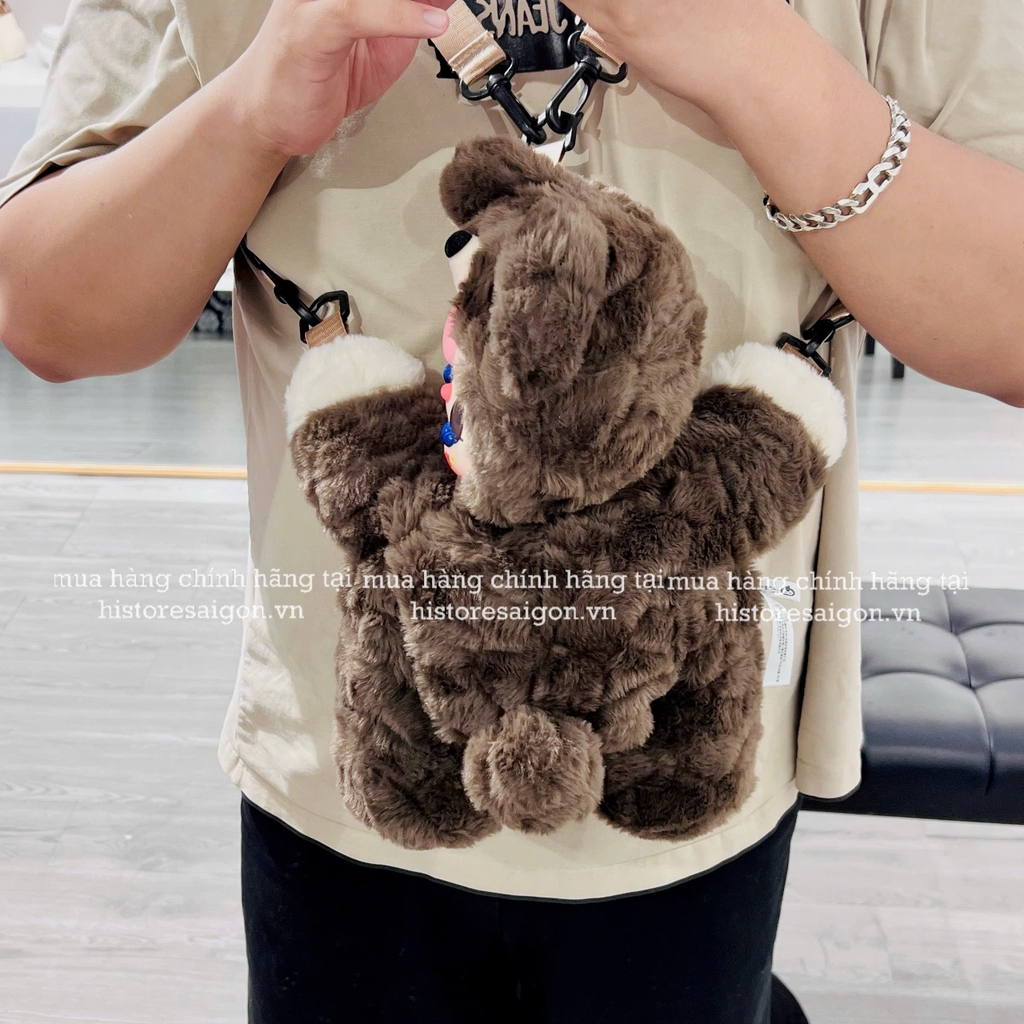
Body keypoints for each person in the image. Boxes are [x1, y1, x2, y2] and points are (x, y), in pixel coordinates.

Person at [0, 1, 1021, 1021]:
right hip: (342, 767)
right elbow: (45, 313)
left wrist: (771, 74)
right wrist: (250, 111)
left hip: (694, 787)